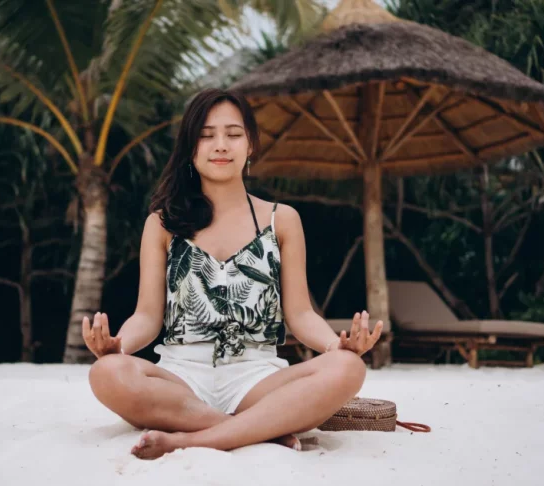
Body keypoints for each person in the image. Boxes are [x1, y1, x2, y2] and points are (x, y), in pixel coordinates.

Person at [83, 88, 383, 460]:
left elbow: (301, 314)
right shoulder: (162, 224)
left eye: (234, 134)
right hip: (182, 378)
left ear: (251, 144)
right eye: (206, 135)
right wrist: (119, 345)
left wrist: (336, 347)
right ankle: (260, 429)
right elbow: (147, 316)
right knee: (106, 373)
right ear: (190, 147)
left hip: (257, 378)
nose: (221, 145)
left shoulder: (282, 220)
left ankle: (189, 438)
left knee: (347, 368)